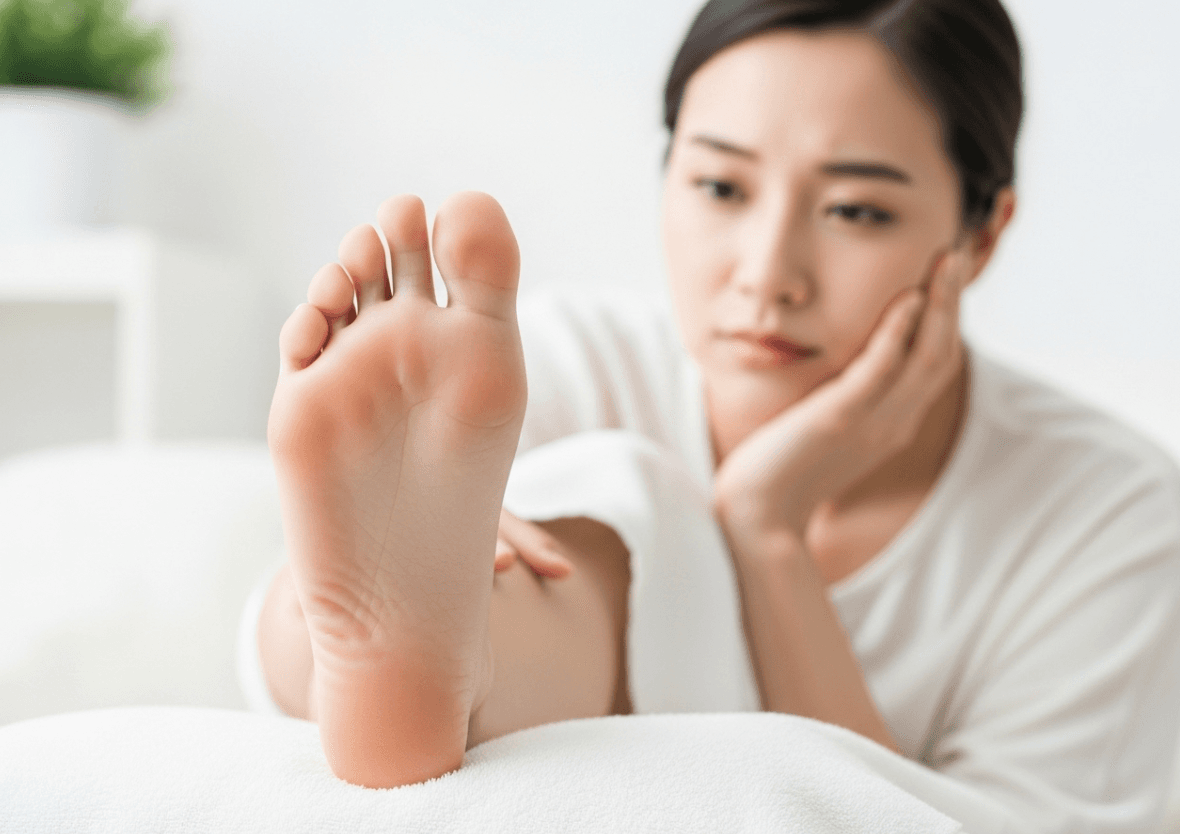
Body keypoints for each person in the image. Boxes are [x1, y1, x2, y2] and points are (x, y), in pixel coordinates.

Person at [247, 0, 1180, 830]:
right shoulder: (564, 362)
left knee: (646, 512)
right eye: (721, 189)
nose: (768, 274)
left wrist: (761, 530)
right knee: (559, 537)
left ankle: (420, 681)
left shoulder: (1110, 520)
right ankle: (415, 686)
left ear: (980, 236)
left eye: (855, 211)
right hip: (448, 661)